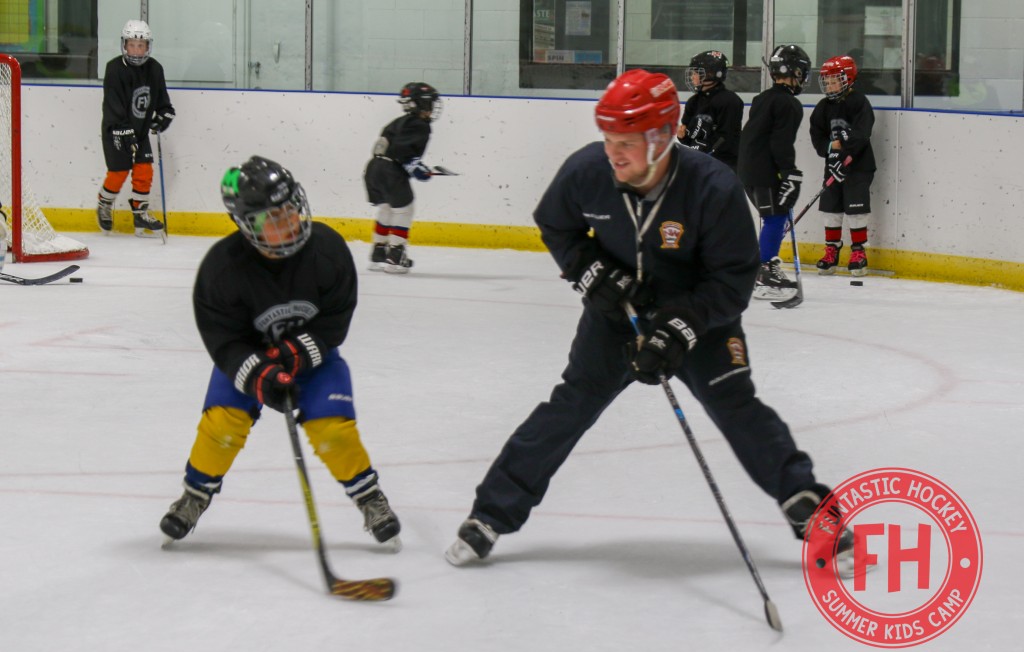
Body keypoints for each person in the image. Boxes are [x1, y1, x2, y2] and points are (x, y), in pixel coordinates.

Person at [444, 69, 852, 573]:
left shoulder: (713, 188)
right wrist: (591, 272)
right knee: (571, 404)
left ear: (661, 138)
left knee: (736, 406)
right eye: (609, 139)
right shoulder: (587, 173)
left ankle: (809, 506)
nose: (614, 152)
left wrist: (680, 326)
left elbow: (733, 282)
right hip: (617, 316)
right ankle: (490, 514)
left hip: (701, 320)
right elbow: (555, 224)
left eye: (628, 142)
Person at [159, 156, 401, 549]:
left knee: (333, 432)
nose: (288, 220)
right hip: (248, 362)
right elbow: (224, 342)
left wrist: (295, 355)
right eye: (273, 217)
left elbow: (335, 322)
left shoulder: (328, 250)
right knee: (221, 425)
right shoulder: (222, 270)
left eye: (290, 208)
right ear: (247, 224)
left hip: (313, 360)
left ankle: (370, 497)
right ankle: (195, 495)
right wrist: (260, 376)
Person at [737, 44, 812, 301]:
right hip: (763, 170)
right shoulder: (789, 104)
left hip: (747, 170)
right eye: (801, 72)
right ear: (795, 72)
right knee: (776, 218)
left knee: (774, 217)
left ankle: (764, 269)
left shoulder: (763, 98)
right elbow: (780, 142)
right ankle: (765, 272)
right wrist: (789, 172)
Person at [96, 19, 174, 238]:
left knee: (144, 169)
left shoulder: (155, 68)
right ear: (124, 45)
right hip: (116, 130)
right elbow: (113, 104)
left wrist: (165, 115)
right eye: (132, 44)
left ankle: (140, 212)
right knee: (118, 172)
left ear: (148, 46)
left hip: (139, 132)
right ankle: (105, 203)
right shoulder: (114, 68)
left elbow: (163, 102)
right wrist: (123, 130)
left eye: (141, 45)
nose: (137, 50)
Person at [363, 82, 442, 273]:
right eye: (429, 104)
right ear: (420, 105)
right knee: (404, 210)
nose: (431, 109)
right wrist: (420, 170)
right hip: (390, 171)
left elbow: (389, 146)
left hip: (374, 168)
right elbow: (405, 155)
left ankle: (378, 253)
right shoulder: (420, 125)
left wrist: (415, 167)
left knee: (387, 208)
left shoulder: (397, 122)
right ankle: (395, 257)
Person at [809, 55, 876, 276]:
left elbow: (862, 134)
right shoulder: (822, 107)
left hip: (859, 166)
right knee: (831, 208)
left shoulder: (859, 102)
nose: (829, 85)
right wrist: (831, 149)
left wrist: (846, 155)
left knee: (856, 209)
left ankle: (858, 251)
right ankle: (832, 250)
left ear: (848, 78)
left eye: (833, 80)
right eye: (826, 81)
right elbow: (818, 137)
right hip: (833, 165)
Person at [677, 50, 744, 172]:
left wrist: (703, 150)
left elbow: (725, 139)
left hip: (723, 166)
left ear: (711, 74)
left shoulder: (729, 101)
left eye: (696, 73)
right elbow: (690, 137)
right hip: (699, 162)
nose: (692, 77)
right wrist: (683, 136)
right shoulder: (693, 102)